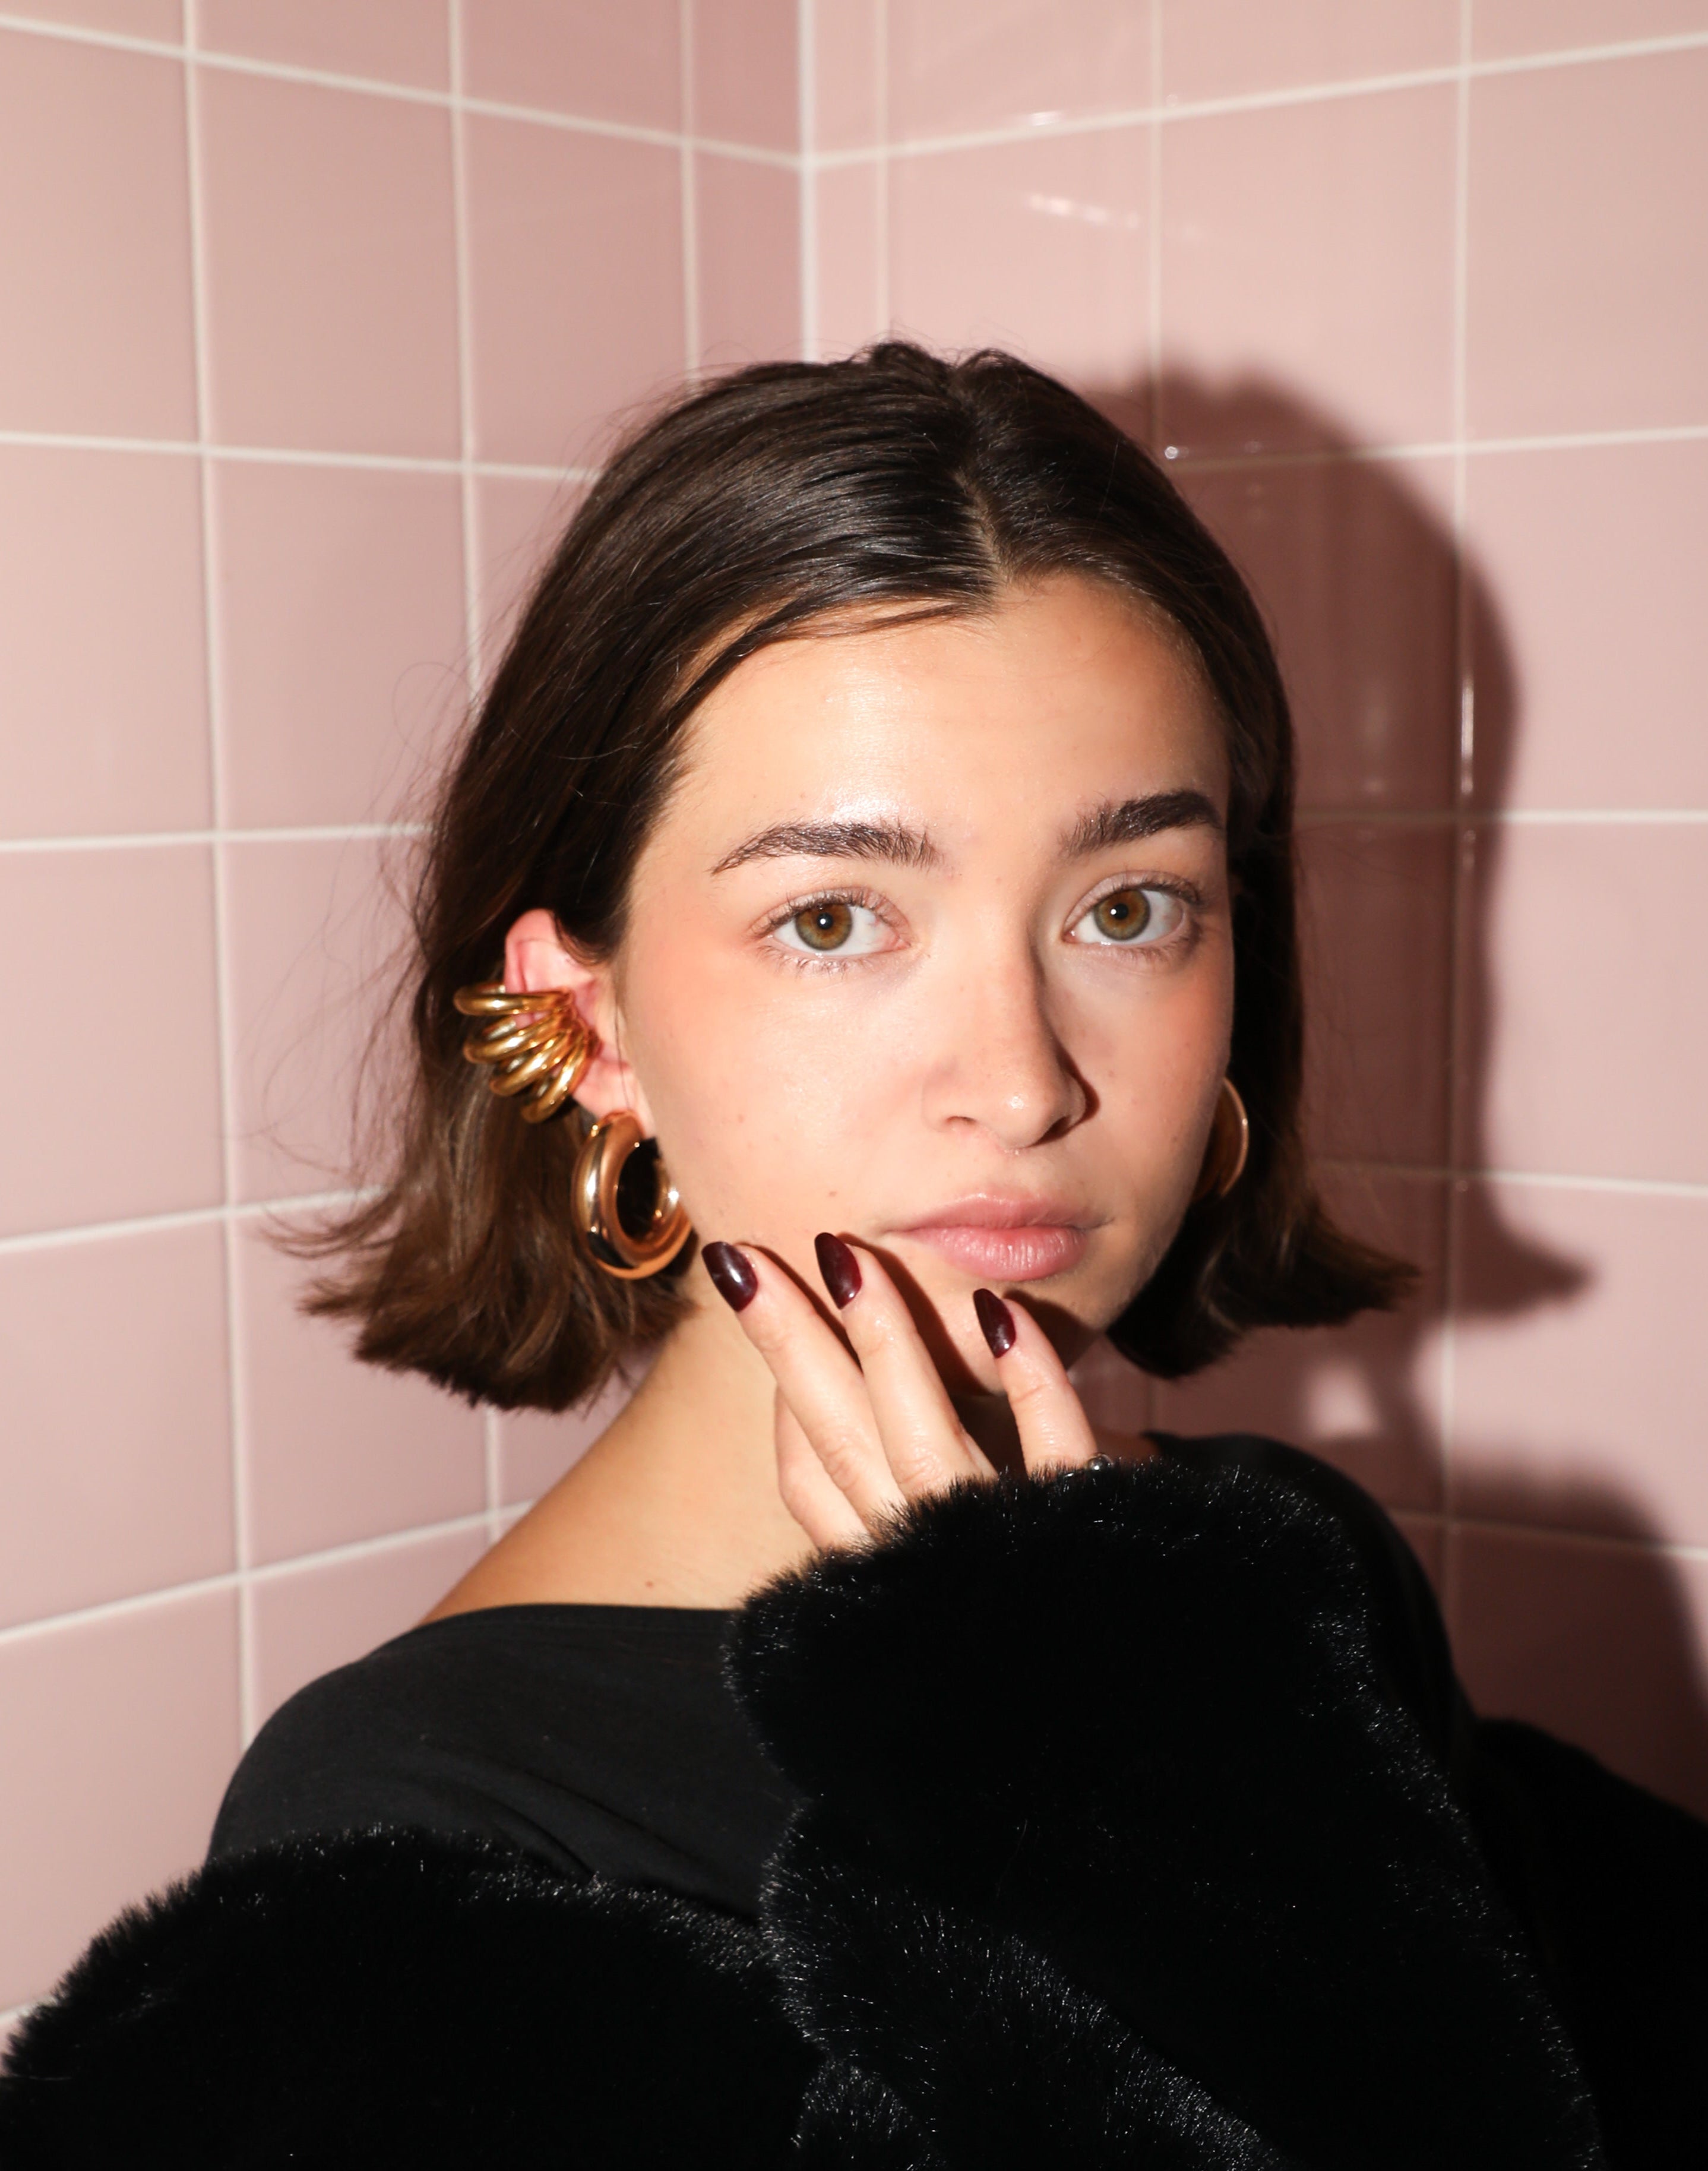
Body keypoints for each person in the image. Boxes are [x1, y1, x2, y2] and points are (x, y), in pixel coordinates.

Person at [1, 345, 1701, 2169]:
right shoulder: (422, 1825)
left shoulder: (1272, 1574)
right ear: (584, 1022)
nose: (1023, 1081)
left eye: (1128, 909)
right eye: (831, 921)